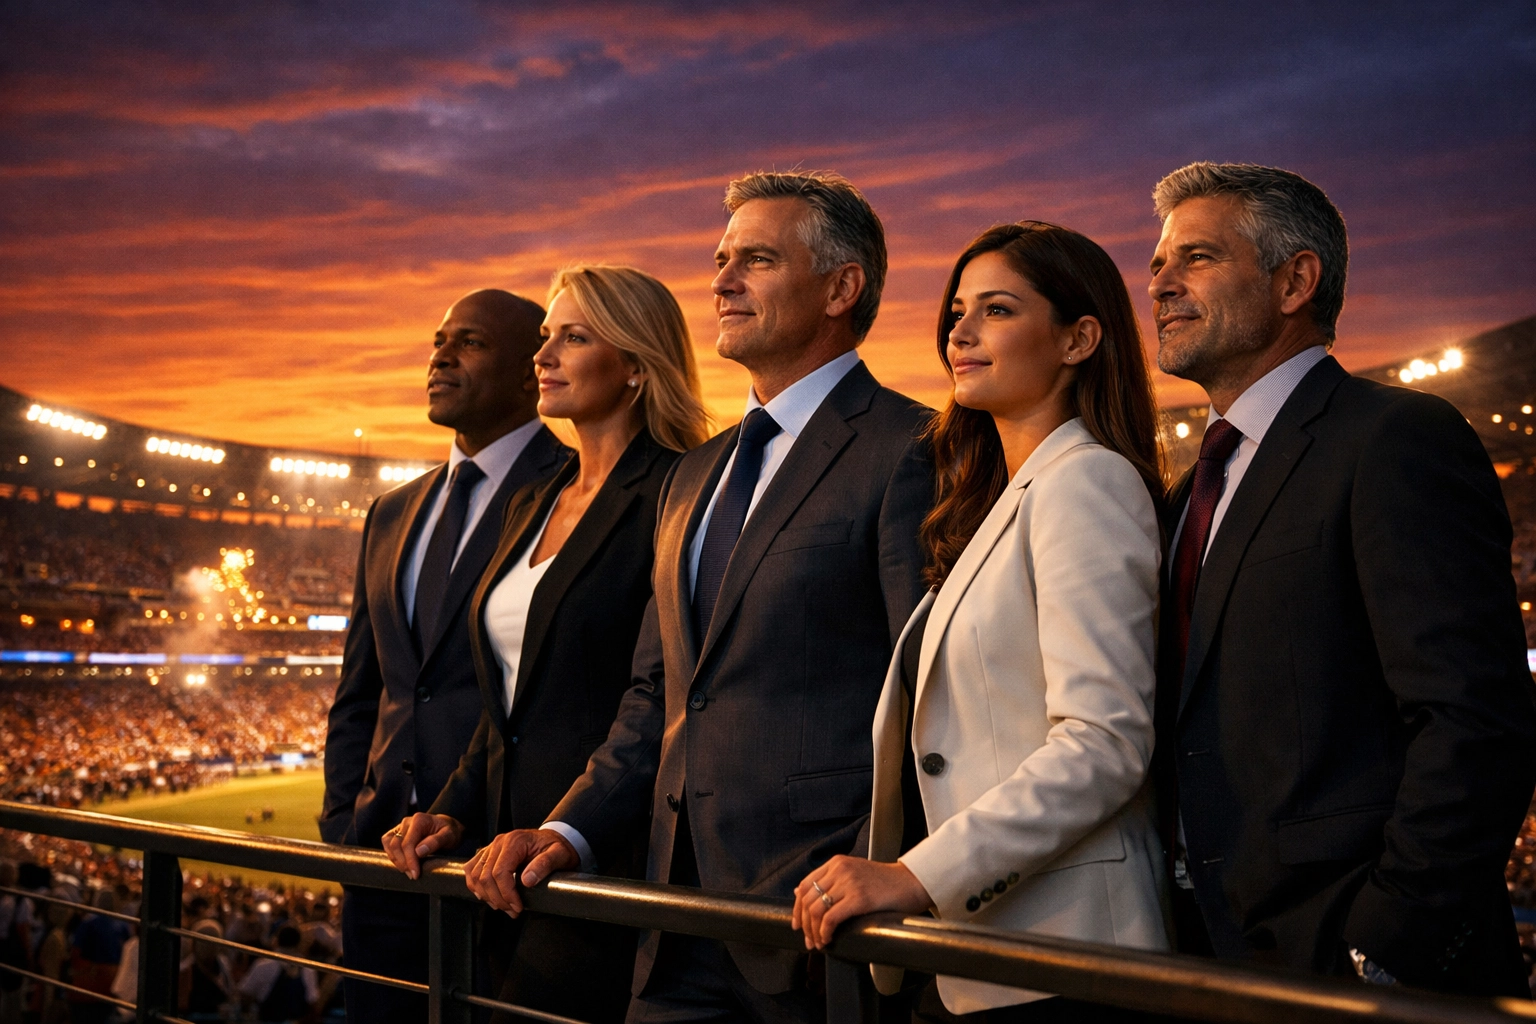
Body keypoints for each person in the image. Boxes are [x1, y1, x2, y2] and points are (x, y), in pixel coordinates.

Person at [462, 171, 934, 1022]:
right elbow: (659, 698)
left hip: (820, 919)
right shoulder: (694, 476)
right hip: (672, 916)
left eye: (755, 259)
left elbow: (931, 695)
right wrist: (566, 830)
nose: (720, 281)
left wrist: (896, 865)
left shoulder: (913, 447)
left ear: (842, 287)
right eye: (721, 259)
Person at [1147, 161, 1536, 995]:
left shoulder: (1395, 437)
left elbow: (1474, 717)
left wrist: (1387, 942)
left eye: (1197, 258)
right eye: (1158, 264)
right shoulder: (1185, 495)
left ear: (1296, 280)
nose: (1161, 284)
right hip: (1204, 959)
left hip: (1351, 970)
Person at [794, 222, 1174, 1021]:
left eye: (996, 310)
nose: (958, 333)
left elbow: (1106, 743)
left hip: (1065, 956)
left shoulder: (1087, 482)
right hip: (986, 952)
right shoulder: (1000, 502)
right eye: (957, 311)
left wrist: (918, 874)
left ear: (1079, 338)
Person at [383, 264, 710, 1022]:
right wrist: (451, 810)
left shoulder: (679, 491)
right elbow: (507, 699)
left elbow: (656, 697)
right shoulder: (534, 496)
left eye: (574, 336)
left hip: (603, 858)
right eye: (543, 339)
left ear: (634, 363)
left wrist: (571, 828)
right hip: (498, 865)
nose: (545, 355)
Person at [319, 288, 569, 1023]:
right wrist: (344, 826)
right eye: (438, 340)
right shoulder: (391, 511)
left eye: (471, 342)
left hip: (505, 871)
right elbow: (362, 690)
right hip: (379, 867)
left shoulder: (578, 491)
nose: (441, 356)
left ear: (534, 372)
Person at [238, 927, 318, 1023]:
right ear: (299, 944)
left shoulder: (262, 966)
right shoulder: (308, 970)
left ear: (276, 941)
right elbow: (312, 1002)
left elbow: (245, 994)